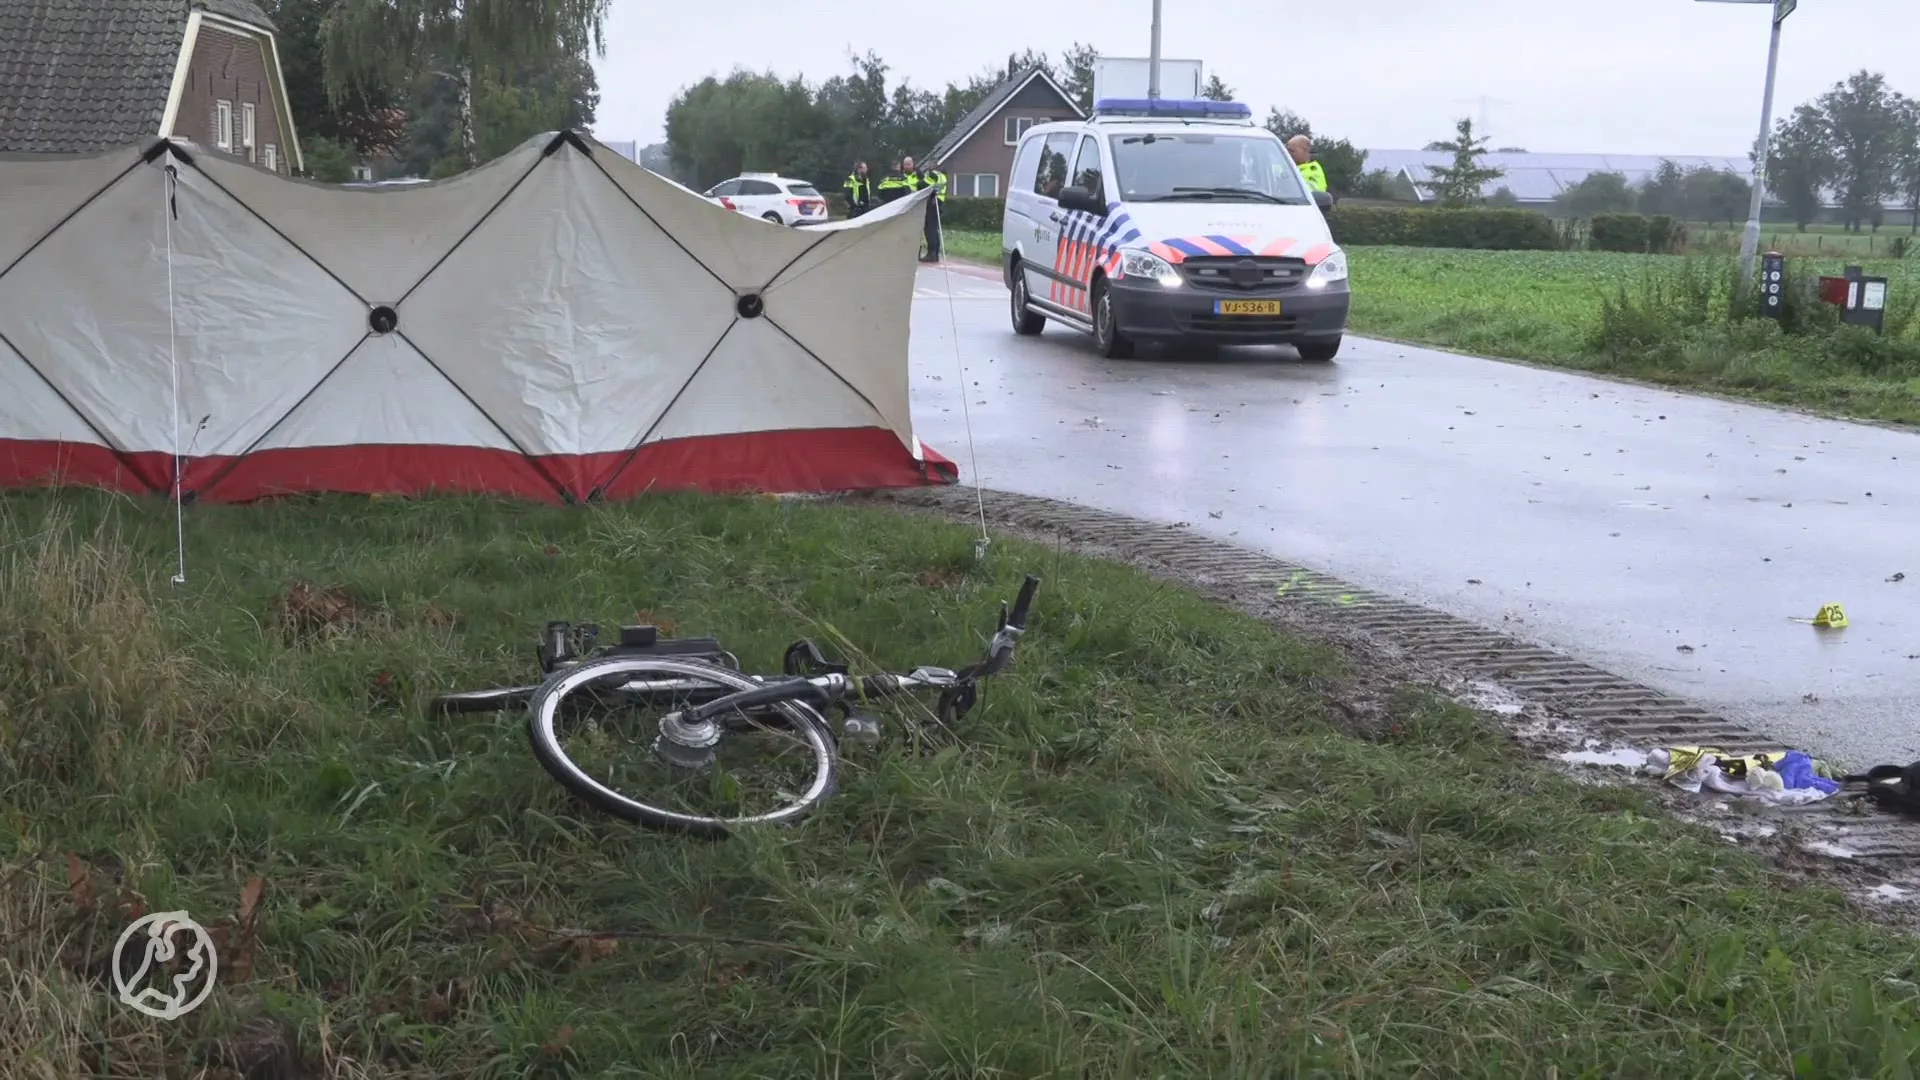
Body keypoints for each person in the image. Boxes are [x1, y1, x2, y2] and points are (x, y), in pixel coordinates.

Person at [900, 156, 948, 263]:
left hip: (932, 201)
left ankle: (931, 254)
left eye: (929, 164)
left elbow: (923, 184)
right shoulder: (942, 175)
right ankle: (935, 253)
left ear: (933, 165)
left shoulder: (932, 174)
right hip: (939, 201)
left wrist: (917, 184)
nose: (927, 166)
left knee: (929, 228)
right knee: (934, 229)